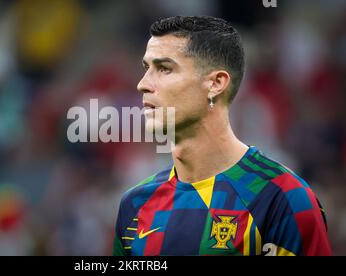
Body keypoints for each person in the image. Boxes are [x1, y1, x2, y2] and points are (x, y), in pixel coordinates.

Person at [113, 16, 332, 256]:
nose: (142, 84)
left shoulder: (282, 198)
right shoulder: (135, 204)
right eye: (147, 68)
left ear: (216, 83)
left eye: (164, 69)